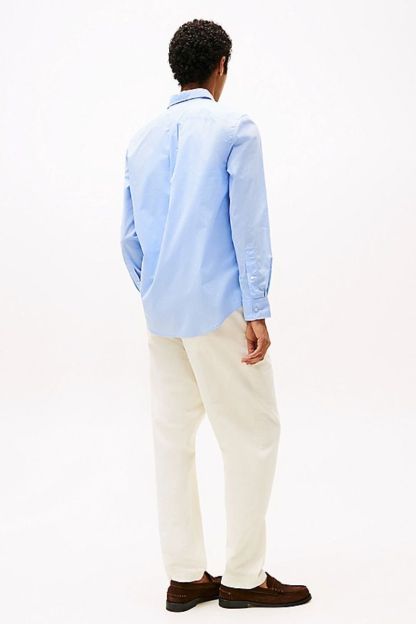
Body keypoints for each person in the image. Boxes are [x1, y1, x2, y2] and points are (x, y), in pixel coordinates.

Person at [120, 18, 311, 612]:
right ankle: (244, 578)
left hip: (162, 316)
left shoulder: (141, 140)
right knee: (253, 434)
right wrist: (257, 308)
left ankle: (184, 577)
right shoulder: (236, 129)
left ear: (177, 69)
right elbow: (248, 228)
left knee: (172, 440)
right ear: (221, 66)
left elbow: (129, 239)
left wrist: (155, 290)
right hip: (219, 309)